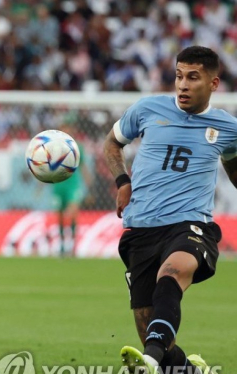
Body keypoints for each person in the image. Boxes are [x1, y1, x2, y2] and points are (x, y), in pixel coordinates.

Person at [103, 46, 236, 374]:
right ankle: (190, 369)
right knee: (158, 338)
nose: (183, 85)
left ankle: (147, 360)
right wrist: (123, 181)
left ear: (213, 83)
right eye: (178, 76)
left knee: (172, 274)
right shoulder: (148, 108)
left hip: (191, 225)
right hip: (141, 228)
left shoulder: (227, 128)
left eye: (193, 77)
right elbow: (111, 143)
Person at [51, 124, 92, 256]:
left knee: (73, 213)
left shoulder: (77, 147)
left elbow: (83, 167)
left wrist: (89, 185)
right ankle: (62, 245)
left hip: (73, 185)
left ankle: (73, 245)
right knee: (60, 216)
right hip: (58, 185)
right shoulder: (53, 148)